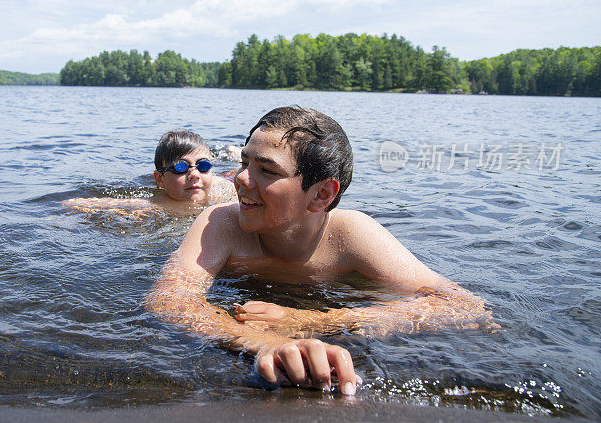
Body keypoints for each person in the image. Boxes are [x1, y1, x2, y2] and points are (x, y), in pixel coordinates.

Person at [146, 106, 496, 395]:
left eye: (266, 170)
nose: (240, 179)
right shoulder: (221, 224)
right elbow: (170, 301)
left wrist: (313, 322)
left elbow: (463, 304)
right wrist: (263, 344)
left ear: (322, 195)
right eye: (245, 162)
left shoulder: (350, 234)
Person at [63, 130, 237, 216]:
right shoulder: (157, 204)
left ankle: (232, 152)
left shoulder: (223, 189)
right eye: (181, 168)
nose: (195, 174)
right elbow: (101, 204)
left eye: (203, 165)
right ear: (160, 180)